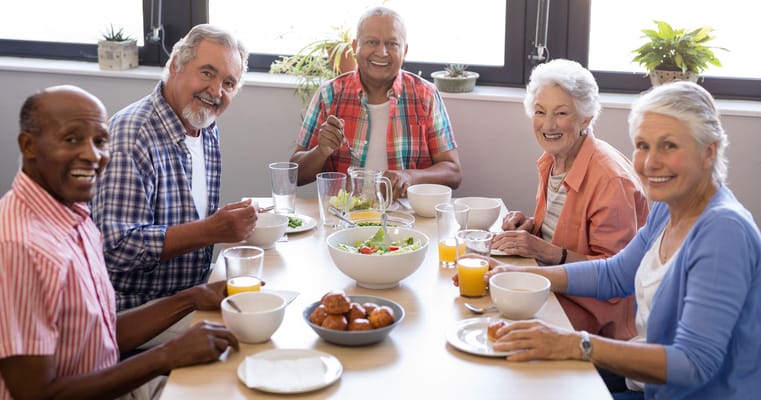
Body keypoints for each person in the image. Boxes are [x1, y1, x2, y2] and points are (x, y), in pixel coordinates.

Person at [485, 81, 761, 400]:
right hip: (643, 382)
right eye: (643, 145)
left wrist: (575, 344)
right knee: (516, 373)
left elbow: (694, 363)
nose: (649, 162)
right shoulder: (670, 210)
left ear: (708, 152)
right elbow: (614, 274)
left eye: (669, 146)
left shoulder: (723, 231)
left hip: (674, 392)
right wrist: (521, 276)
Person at [0, 85, 239, 400]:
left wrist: (191, 298)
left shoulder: (73, 213)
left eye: (100, 141)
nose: (92, 155)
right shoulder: (20, 245)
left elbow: (98, 337)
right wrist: (166, 356)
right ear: (28, 145)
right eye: (72, 139)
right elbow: (36, 394)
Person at [92, 24, 257, 312]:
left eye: (229, 83)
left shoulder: (205, 128)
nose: (216, 91)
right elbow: (116, 249)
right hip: (136, 311)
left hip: (188, 294)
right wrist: (210, 230)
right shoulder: (133, 134)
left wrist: (223, 226)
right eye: (207, 73)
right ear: (175, 65)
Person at [490, 59, 648, 340]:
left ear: (585, 118)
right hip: (555, 292)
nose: (548, 125)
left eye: (561, 113)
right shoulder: (554, 160)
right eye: (540, 112)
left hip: (596, 321)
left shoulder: (610, 180)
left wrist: (544, 251)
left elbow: (615, 276)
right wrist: (530, 229)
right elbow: (562, 233)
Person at [289, 6, 463, 199]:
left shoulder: (425, 95)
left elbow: (453, 173)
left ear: (404, 50)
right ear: (355, 46)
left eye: (392, 44)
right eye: (372, 42)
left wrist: (410, 176)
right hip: (344, 217)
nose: (382, 52)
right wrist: (321, 151)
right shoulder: (329, 94)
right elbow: (296, 175)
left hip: (406, 219)